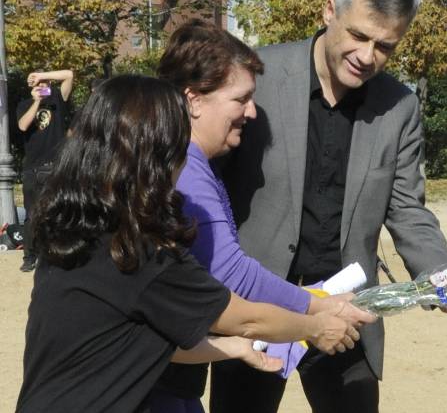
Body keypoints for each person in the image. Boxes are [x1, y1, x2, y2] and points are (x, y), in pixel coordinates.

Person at [16, 75, 361, 412]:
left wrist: (232, 348)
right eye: (181, 145)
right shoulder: (136, 253)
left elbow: (135, 341)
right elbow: (246, 319)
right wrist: (315, 326)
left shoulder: (74, 230)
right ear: (158, 157)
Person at [219, 0, 447, 413]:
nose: (367, 56)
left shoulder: (400, 107)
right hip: (256, 305)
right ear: (330, 11)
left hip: (345, 310)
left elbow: (408, 208)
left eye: (385, 46)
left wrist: (441, 276)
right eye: (358, 36)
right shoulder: (257, 76)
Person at [148, 20, 376, 412]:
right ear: (194, 100)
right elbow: (231, 275)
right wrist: (315, 308)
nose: (251, 112)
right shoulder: (185, 169)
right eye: (241, 99)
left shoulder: (193, 163)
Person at [16, 69, 74, 272]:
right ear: (31, 87)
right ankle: (30, 256)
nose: (42, 86)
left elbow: (69, 75)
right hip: (32, 169)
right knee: (32, 215)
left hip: (54, 166)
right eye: (38, 84)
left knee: (56, 212)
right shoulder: (24, 104)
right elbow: (23, 126)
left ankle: (54, 254)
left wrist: (43, 76)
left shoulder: (57, 99)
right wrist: (36, 102)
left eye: (45, 83)